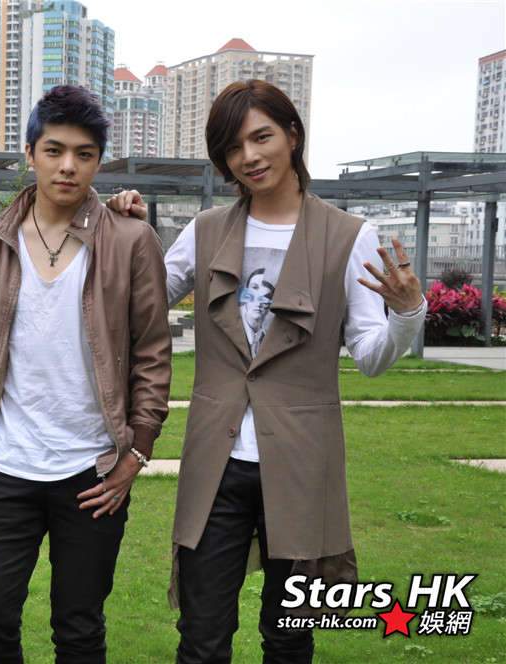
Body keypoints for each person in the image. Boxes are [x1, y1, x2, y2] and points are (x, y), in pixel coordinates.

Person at [107, 79, 426, 664]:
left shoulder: (350, 236)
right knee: (202, 638)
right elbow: (136, 306)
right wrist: (125, 232)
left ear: (292, 135)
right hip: (217, 464)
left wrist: (407, 313)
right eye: (233, 147)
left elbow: (370, 355)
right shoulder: (205, 232)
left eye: (261, 137)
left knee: (289, 637)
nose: (249, 157)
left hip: (303, 463)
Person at [0, 85, 171, 664]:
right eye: (54, 150)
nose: (68, 165)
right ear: (30, 154)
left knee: (79, 629)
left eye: (84, 153)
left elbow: (153, 352)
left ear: (98, 161)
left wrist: (137, 451)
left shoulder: (131, 239)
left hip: (92, 470)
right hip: (6, 466)